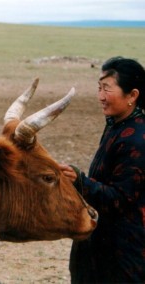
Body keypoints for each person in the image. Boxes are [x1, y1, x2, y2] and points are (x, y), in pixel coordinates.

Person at [60, 56, 145, 283]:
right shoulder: (117, 126)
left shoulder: (137, 139)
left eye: (107, 89)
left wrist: (80, 181)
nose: (100, 97)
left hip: (122, 253)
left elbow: (120, 200)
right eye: (99, 88)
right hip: (101, 244)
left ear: (132, 96)